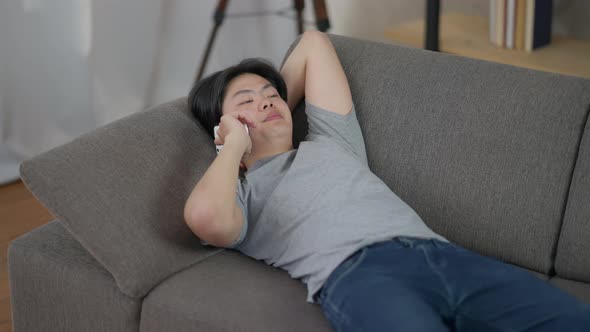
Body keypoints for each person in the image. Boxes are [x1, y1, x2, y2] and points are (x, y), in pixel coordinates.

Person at [184, 31, 590, 332]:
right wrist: (235, 147)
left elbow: (312, 44)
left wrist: (266, 113)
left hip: (445, 256)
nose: (267, 100)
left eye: (270, 92)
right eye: (246, 102)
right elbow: (204, 217)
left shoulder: (330, 141)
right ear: (224, 125)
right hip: (360, 276)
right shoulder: (242, 193)